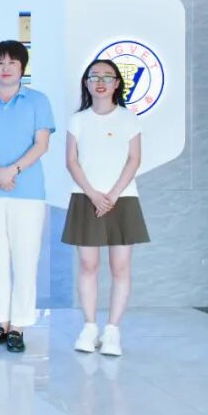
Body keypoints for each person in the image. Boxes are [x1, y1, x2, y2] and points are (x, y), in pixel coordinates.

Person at [0, 40, 54, 353]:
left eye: (12, 62)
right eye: (0, 62)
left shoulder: (37, 100)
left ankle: (19, 326)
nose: (5, 68)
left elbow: (42, 144)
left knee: (26, 258)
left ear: (22, 67)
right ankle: (2, 322)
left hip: (27, 191)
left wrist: (12, 170)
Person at [62, 59, 149, 357]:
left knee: (120, 266)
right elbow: (71, 161)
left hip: (122, 198)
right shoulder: (78, 120)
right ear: (86, 83)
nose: (100, 82)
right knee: (88, 264)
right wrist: (93, 195)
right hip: (85, 197)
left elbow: (134, 160)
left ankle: (112, 330)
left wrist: (111, 195)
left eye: (107, 77)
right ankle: (89, 327)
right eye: (94, 76)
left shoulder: (129, 119)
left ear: (117, 84)